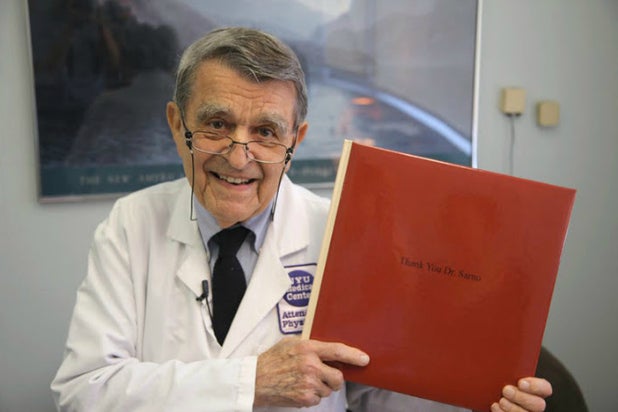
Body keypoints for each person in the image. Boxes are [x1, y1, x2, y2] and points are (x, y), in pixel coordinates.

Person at [51, 27, 552, 412]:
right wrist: (251, 382)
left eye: (266, 132)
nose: (239, 157)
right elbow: (83, 391)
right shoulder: (131, 225)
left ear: (297, 140)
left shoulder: (343, 233)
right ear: (177, 124)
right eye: (217, 125)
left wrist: (479, 400)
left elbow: (378, 396)